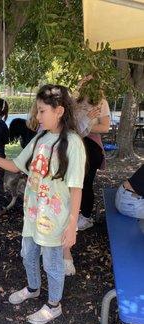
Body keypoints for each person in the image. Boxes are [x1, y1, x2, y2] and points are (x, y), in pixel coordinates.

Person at [0, 85, 86, 324]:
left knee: (52, 263)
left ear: (59, 111)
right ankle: (33, 288)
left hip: (54, 219)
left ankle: (54, 305)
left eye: (42, 111)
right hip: (33, 214)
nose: (37, 116)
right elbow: (16, 165)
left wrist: (72, 224)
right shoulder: (41, 137)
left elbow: (76, 188)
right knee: (28, 254)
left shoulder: (73, 143)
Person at [74, 75, 111, 230]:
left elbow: (105, 127)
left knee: (85, 181)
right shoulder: (75, 101)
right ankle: (74, 212)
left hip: (91, 144)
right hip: (74, 142)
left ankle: (86, 216)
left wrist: (85, 128)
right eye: (83, 81)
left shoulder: (101, 102)